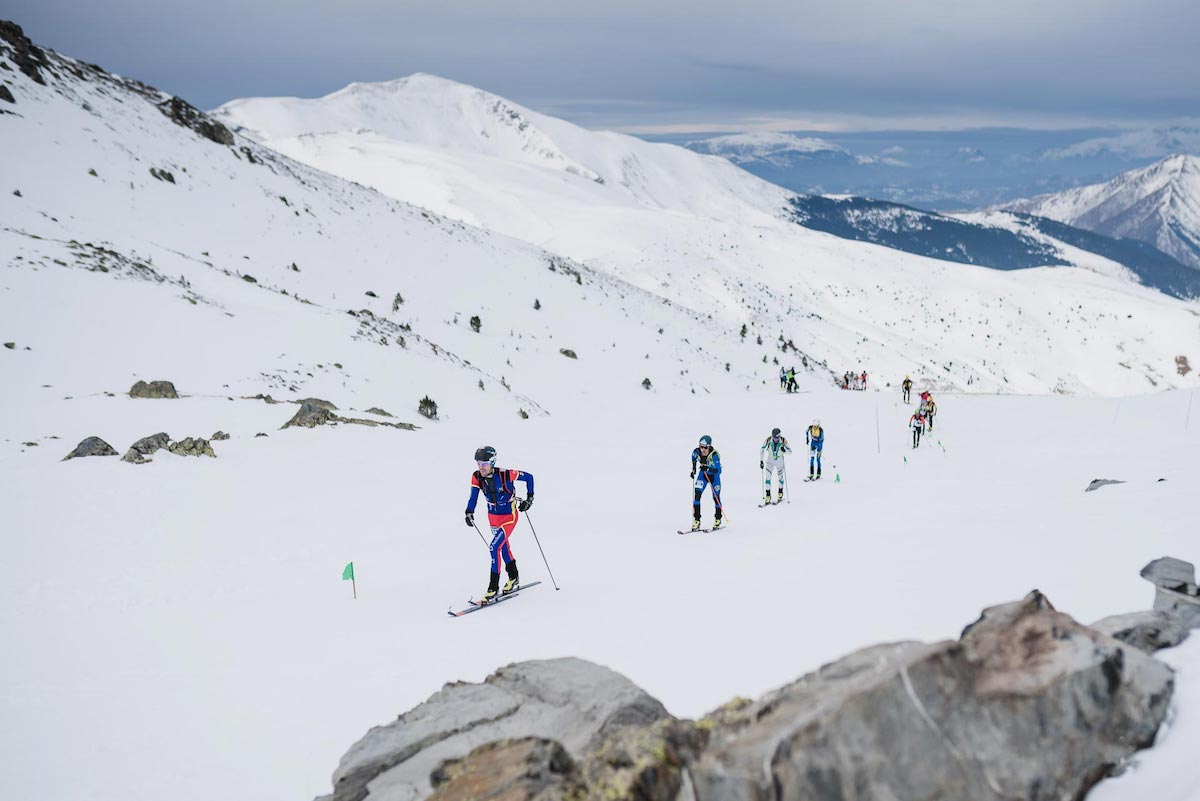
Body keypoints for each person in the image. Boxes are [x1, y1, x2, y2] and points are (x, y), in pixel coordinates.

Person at [464, 446, 534, 605]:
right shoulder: (476, 477)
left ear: (492, 462)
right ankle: (514, 577)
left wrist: (529, 499)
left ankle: (492, 588)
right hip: (493, 518)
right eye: (478, 463)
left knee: (494, 547)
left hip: (509, 516)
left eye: (484, 463)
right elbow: (473, 497)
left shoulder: (505, 474)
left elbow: (529, 478)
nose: (480, 467)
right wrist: (469, 512)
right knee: (503, 547)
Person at [690, 435, 723, 530]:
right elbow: (693, 459)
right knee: (697, 495)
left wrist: (708, 468)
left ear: (709, 447)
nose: (703, 449)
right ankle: (697, 520)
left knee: (716, 497)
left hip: (714, 477)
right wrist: (693, 470)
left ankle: (718, 518)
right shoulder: (696, 452)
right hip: (703, 475)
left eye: (705, 447)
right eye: (701, 446)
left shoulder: (714, 455)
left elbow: (719, 471)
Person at [760, 427, 791, 504]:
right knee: (767, 477)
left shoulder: (783, 440)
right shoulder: (768, 440)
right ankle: (768, 496)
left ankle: (780, 493)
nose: (776, 439)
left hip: (779, 460)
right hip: (770, 460)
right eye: (774, 437)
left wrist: (785, 450)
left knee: (780, 478)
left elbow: (790, 451)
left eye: (777, 437)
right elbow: (762, 449)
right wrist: (761, 461)